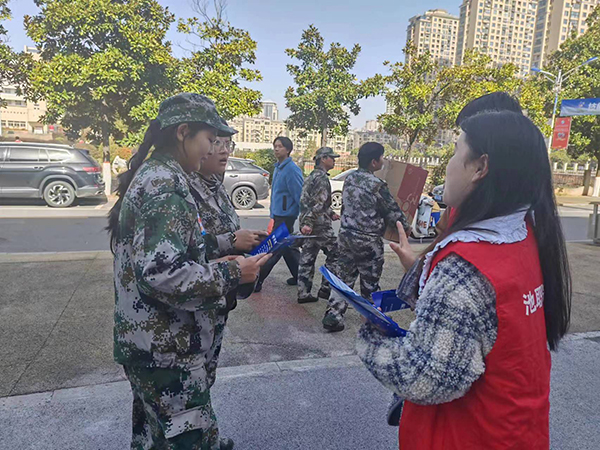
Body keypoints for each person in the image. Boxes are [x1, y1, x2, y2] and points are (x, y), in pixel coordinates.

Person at [356, 111, 572, 450]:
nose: (448, 168)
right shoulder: (525, 235)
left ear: (480, 167)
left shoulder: (466, 265)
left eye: (456, 152)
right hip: (516, 429)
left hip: (464, 435)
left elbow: (425, 377)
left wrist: (370, 338)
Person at [107, 93, 270, 450]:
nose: (213, 149)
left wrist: (225, 252)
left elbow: (178, 248)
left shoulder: (160, 175)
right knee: (189, 439)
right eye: (210, 140)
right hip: (166, 347)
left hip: (153, 343)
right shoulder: (166, 185)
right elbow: (161, 275)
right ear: (183, 133)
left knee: (157, 436)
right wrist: (232, 275)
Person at [188, 133, 267, 390]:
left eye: (227, 144)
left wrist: (250, 241)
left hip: (219, 299)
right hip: (195, 301)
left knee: (206, 377)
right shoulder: (184, 189)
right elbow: (184, 249)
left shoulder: (216, 186)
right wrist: (232, 240)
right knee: (192, 383)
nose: (224, 150)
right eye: (216, 143)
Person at [323, 142, 409, 332]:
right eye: (381, 158)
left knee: (343, 278)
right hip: (368, 241)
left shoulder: (350, 179)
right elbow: (394, 213)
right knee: (369, 282)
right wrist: (407, 225)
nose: (383, 161)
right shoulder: (377, 185)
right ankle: (372, 319)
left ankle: (333, 315)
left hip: (345, 236)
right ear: (373, 162)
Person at [254, 136, 304, 293]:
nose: (276, 149)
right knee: (288, 248)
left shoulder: (292, 170)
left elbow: (299, 195)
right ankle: (300, 276)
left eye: (280, 146)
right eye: (275, 146)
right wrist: (272, 215)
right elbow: (275, 193)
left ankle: (258, 279)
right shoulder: (278, 167)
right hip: (278, 214)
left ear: (288, 150)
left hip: (286, 216)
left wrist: (304, 216)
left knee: (274, 249)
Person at [297, 147, 341, 304]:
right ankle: (326, 288)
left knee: (307, 257)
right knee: (336, 252)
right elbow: (318, 203)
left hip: (309, 222)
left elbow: (309, 201)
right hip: (319, 225)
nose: (334, 160)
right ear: (323, 158)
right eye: (332, 158)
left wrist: (330, 213)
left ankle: (303, 292)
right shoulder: (322, 179)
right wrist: (310, 222)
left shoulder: (312, 176)